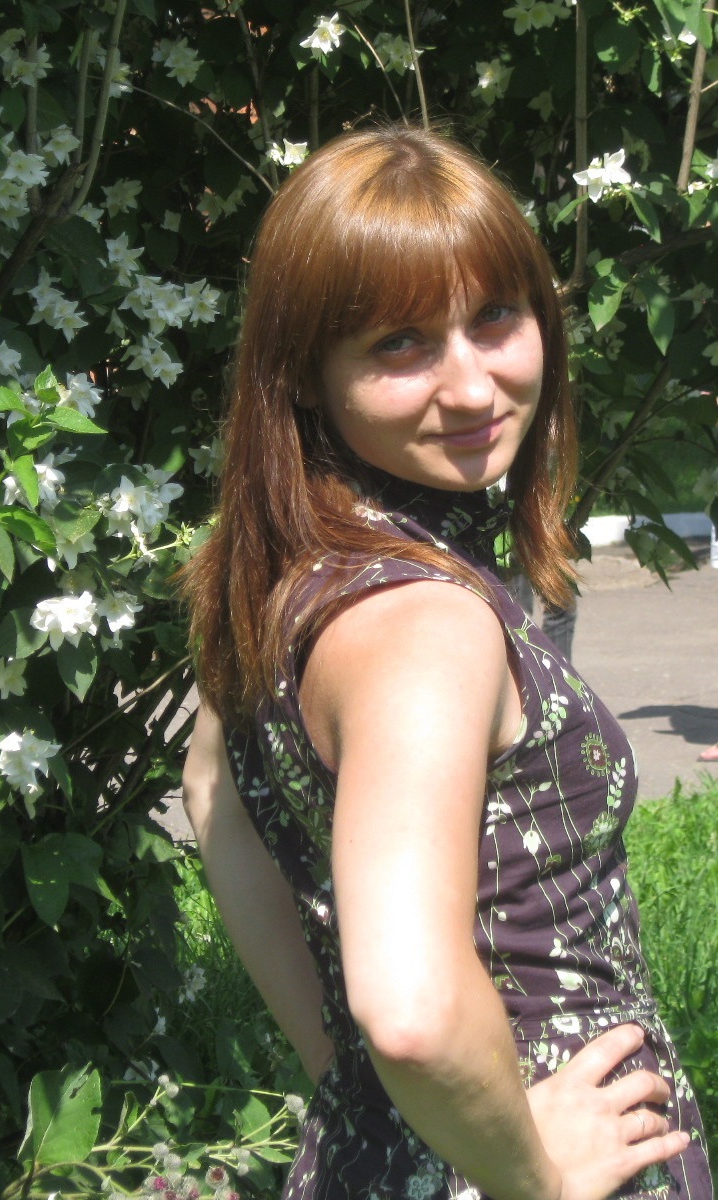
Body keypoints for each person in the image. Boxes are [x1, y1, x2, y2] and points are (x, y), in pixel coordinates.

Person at [180, 124, 712, 1200]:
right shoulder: (422, 625)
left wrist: (358, 1092)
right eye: (400, 345)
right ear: (305, 376)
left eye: (495, 317)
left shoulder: (279, 571)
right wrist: (537, 1179)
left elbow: (212, 799)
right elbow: (415, 1017)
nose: (471, 387)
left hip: (392, 1153)